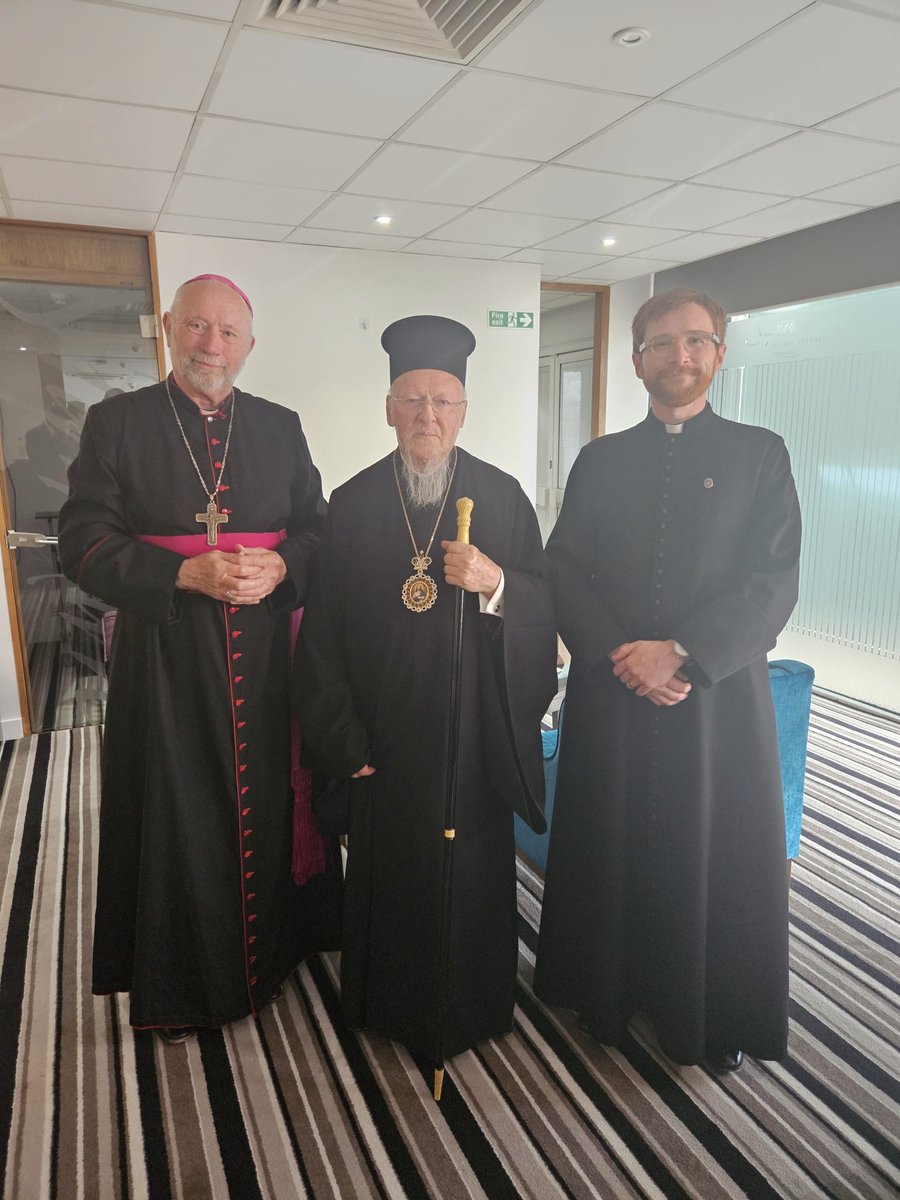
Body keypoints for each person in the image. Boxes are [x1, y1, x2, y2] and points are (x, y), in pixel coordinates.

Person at [58, 274, 342, 1041]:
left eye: (227, 332)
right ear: (171, 330)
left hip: (267, 663)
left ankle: (273, 957)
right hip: (166, 660)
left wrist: (283, 568)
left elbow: (319, 532)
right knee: (176, 817)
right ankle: (183, 986)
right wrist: (180, 571)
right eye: (196, 327)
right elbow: (79, 541)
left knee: (272, 807)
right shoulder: (116, 422)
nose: (211, 345)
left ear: (248, 346)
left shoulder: (281, 426)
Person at [533, 288, 801, 1072]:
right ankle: (607, 994)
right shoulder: (600, 459)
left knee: (707, 851)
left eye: (694, 342)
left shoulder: (761, 455)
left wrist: (680, 652)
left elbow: (773, 582)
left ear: (718, 352)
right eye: (660, 344)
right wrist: (622, 655)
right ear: (639, 358)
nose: (677, 357)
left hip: (713, 703)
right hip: (615, 697)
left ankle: (704, 1014)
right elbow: (562, 568)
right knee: (612, 841)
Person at [293, 315, 557, 1066]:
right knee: (391, 876)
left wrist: (497, 583)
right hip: (383, 743)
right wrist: (343, 739)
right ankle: (386, 1001)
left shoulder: (502, 498)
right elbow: (322, 639)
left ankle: (472, 1002)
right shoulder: (349, 504)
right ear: (389, 409)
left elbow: (545, 599)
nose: (427, 416)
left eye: (443, 401)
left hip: (471, 740)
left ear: (464, 410)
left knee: (470, 875)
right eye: (412, 400)